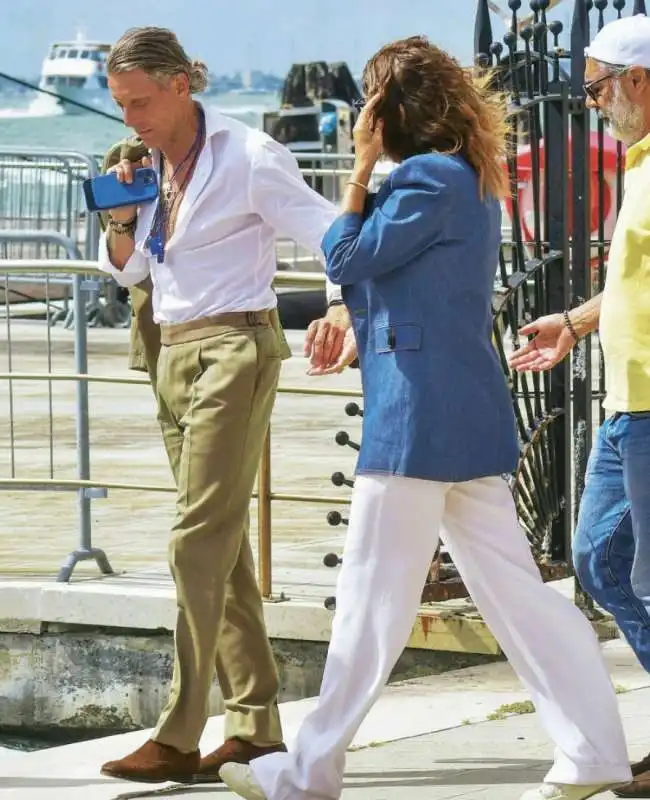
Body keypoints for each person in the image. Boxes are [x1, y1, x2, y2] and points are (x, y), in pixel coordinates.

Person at [219, 35, 632, 800]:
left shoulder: (425, 179)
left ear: (389, 111)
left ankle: (307, 775)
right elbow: (392, 278)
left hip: (414, 427)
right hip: (463, 420)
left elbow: (346, 257)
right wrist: (353, 320)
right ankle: (594, 752)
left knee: (368, 611)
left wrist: (356, 169)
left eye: (370, 107)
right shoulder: (462, 178)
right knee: (520, 600)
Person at [95, 25, 349, 785]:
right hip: (168, 351)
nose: (130, 118)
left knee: (191, 542)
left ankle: (178, 734)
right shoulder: (141, 163)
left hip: (235, 349)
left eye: (140, 101)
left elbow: (329, 227)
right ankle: (255, 726)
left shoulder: (248, 155)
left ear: (181, 85)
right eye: (119, 105)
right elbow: (131, 269)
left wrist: (339, 307)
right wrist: (117, 214)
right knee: (223, 547)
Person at [509, 15, 650, 799]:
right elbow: (634, 284)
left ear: (637, 79)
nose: (591, 101)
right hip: (628, 404)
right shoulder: (638, 162)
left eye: (597, 87)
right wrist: (573, 322)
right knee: (597, 559)